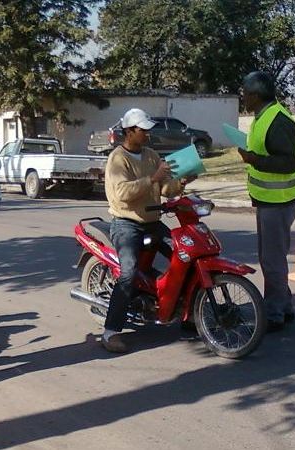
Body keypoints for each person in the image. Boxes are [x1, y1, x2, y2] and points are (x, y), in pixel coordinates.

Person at [101, 108, 184, 353]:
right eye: (143, 130)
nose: (148, 134)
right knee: (128, 272)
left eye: (148, 130)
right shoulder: (118, 159)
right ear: (129, 132)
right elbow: (121, 195)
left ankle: (187, 310)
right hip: (126, 223)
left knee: (183, 254)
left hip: (152, 221)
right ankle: (110, 332)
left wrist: (179, 182)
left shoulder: (150, 155)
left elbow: (166, 188)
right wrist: (152, 178)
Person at [237, 71, 295, 333]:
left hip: (279, 201)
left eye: (245, 93)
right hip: (267, 199)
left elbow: (289, 162)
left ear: (255, 95)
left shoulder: (277, 121)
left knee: (272, 259)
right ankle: (283, 306)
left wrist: (254, 160)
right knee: (271, 257)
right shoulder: (263, 116)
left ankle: (274, 313)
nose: (243, 98)